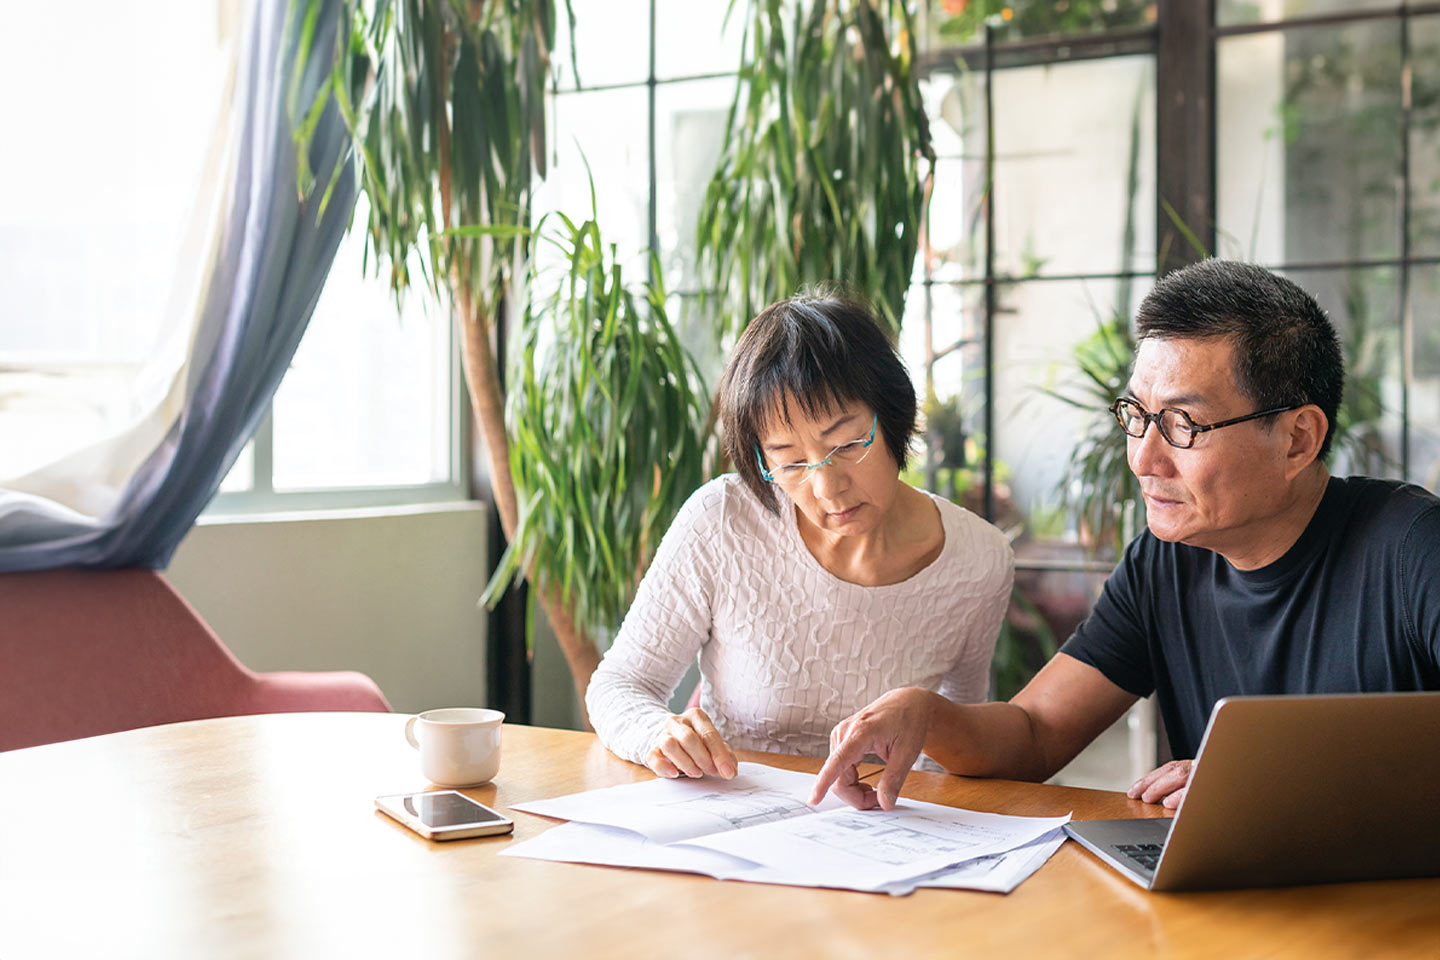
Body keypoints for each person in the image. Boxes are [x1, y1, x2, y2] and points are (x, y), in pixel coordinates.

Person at [811, 259, 1440, 812]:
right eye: (1138, 416)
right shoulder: (1165, 563)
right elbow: (1033, 733)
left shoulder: (1413, 549)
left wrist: (1278, 786)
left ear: (1297, 438)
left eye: (1184, 424)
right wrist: (926, 713)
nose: (1144, 459)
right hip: (1233, 906)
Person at [585, 294, 1014, 779]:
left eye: (847, 444)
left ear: (892, 413)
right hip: (735, 818)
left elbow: (957, 744)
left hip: (887, 830)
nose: (827, 487)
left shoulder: (979, 558)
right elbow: (621, 683)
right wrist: (656, 733)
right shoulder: (722, 519)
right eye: (790, 462)